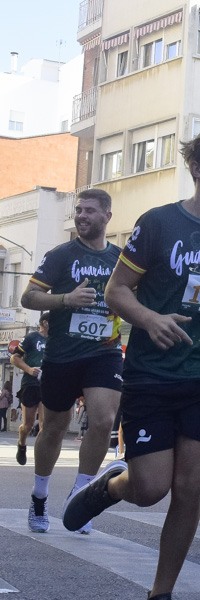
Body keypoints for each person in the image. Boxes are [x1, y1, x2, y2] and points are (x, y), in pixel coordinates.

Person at [62, 127, 200, 600]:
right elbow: (117, 292)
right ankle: (112, 487)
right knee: (151, 487)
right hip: (151, 373)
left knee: (190, 483)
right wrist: (151, 319)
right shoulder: (157, 223)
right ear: (196, 167)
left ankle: (162, 592)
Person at [18, 188, 124, 534]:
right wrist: (66, 298)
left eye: (89, 211)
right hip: (63, 354)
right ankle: (39, 496)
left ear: (107, 216)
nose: (81, 216)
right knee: (54, 428)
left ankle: (82, 496)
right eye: (78, 210)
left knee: (104, 418)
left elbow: (137, 297)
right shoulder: (62, 255)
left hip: (105, 351)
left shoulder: (121, 260)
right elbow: (29, 296)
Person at [12, 314, 48, 469]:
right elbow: (15, 357)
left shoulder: (56, 339)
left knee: (45, 424)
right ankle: (22, 443)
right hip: (30, 383)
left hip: (48, 384)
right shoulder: (32, 338)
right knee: (28, 424)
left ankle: (41, 456)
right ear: (45, 323)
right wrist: (28, 369)